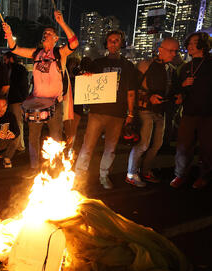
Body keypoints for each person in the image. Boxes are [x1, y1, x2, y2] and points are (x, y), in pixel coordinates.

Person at [2, 9, 78, 177]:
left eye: (49, 33)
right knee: (33, 138)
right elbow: (14, 49)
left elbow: (74, 43)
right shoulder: (36, 53)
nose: (46, 35)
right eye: (44, 33)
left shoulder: (59, 53)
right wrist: (8, 34)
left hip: (54, 104)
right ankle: (35, 168)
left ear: (55, 38)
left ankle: (56, 169)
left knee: (56, 138)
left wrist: (62, 23)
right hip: (36, 103)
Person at [74, 30, 137, 190]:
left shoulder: (128, 66)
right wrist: (87, 77)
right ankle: (79, 176)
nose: (113, 43)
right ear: (106, 43)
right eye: (110, 40)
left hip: (117, 113)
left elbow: (131, 92)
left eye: (116, 40)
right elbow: (88, 81)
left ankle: (104, 175)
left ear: (121, 43)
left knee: (110, 148)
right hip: (97, 112)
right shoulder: (98, 63)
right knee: (87, 146)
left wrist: (130, 113)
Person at [126, 38, 180, 187]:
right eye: (171, 51)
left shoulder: (171, 69)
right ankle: (131, 173)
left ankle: (145, 170)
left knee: (156, 144)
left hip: (161, 111)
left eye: (176, 51)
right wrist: (147, 98)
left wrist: (178, 95)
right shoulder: (145, 65)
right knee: (143, 144)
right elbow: (132, 88)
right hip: (145, 110)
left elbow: (172, 90)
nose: (174, 54)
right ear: (160, 49)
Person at [170, 32, 212, 189]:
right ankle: (180, 174)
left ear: (203, 45)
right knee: (183, 147)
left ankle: (205, 176)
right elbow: (177, 90)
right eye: (188, 43)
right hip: (188, 113)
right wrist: (183, 87)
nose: (189, 46)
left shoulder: (210, 64)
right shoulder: (185, 67)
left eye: (194, 43)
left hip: (209, 114)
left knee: (207, 148)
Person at [3, 52, 29, 152]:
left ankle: (20, 146)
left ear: (11, 59)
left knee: (18, 123)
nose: (4, 62)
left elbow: (23, 87)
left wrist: (23, 100)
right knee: (14, 123)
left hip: (17, 100)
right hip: (12, 100)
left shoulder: (18, 70)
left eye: (5, 59)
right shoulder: (11, 69)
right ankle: (15, 145)